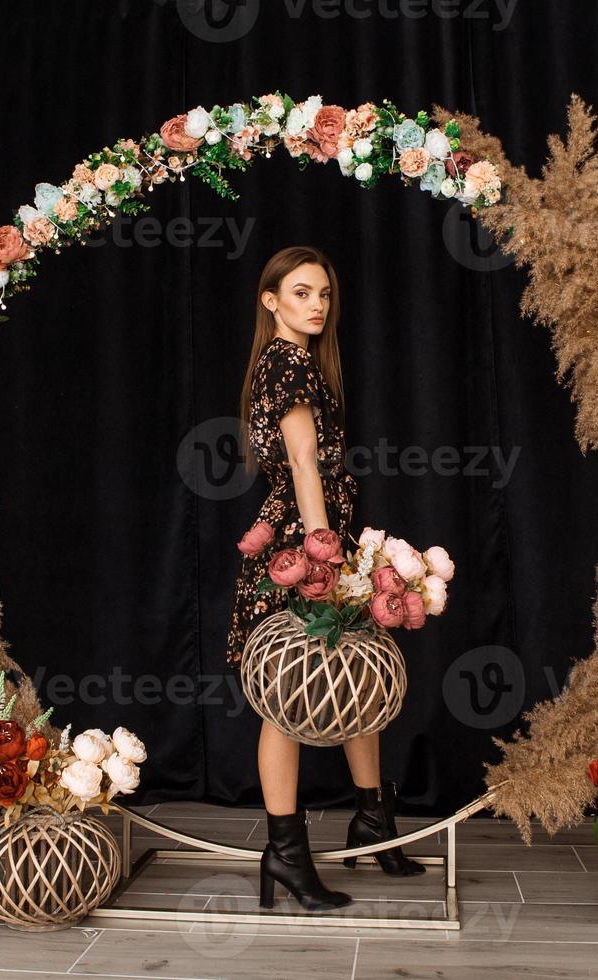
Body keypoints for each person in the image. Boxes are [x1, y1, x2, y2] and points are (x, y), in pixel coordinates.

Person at [226, 245, 424, 912]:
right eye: (302, 293)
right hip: (303, 547)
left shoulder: (297, 362)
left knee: (352, 676)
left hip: (316, 539)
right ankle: (284, 855)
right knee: (291, 694)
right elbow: (305, 467)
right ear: (271, 300)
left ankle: (373, 819)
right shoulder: (286, 363)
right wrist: (324, 556)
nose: (316, 305)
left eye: (324, 295)